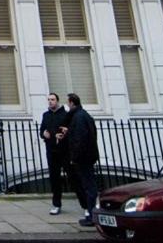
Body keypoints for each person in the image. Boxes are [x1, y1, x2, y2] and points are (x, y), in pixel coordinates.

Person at [64, 92, 99, 227]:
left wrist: (75, 157)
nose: (67, 105)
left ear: (72, 103)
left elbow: (80, 139)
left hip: (83, 158)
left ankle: (92, 215)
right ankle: (91, 213)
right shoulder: (84, 115)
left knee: (89, 187)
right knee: (89, 186)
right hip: (88, 156)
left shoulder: (78, 117)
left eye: (68, 103)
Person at [38, 92, 69, 215]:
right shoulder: (46, 115)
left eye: (53, 99)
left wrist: (55, 134)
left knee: (72, 177)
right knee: (54, 178)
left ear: (57, 101)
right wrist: (44, 134)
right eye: (49, 100)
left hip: (64, 151)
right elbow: (42, 131)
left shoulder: (65, 115)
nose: (50, 102)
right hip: (51, 151)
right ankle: (56, 204)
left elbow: (66, 131)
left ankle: (86, 206)